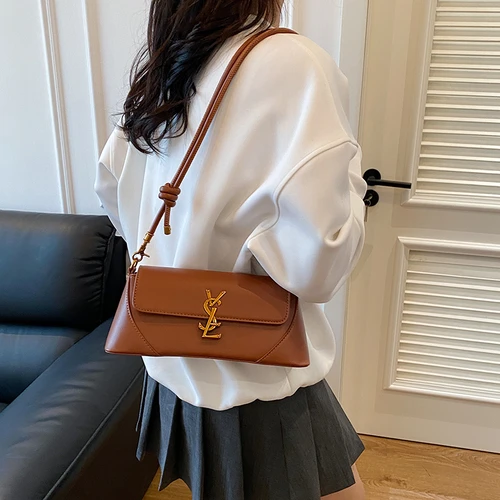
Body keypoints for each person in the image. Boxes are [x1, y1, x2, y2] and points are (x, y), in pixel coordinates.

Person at [95, 1, 367, 499]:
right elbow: (319, 266)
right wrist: (350, 179)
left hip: (169, 361)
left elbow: (112, 188)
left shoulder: (169, 63)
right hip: (257, 380)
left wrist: (183, 252)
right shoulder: (293, 63)